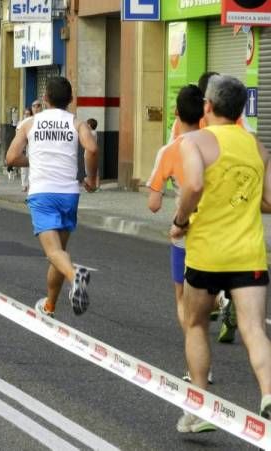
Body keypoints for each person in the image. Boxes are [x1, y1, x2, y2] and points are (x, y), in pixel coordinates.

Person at [170, 75, 271, 433]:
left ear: (208, 106)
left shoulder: (194, 141)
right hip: (249, 254)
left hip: (207, 253)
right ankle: (268, 396)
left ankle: (201, 407)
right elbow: (269, 201)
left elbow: (194, 184)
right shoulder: (256, 146)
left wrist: (180, 219)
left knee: (196, 324)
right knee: (253, 329)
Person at [6, 76, 98, 318]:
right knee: (59, 253)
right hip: (69, 194)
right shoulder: (77, 123)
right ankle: (50, 306)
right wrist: (92, 178)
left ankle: (74, 275)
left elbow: (11, 157)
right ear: (71, 100)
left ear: (45, 99)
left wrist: (33, 160)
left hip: (42, 193)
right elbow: (92, 148)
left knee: (54, 254)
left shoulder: (29, 123)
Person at [146, 85, 216, 391]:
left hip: (186, 231)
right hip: (221, 228)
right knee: (212, 288)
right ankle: (222, 298)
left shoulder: (170, 151)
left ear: (176, 113)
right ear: (205, 111)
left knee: (185, 302)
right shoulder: (216, 144)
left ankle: (198, 370)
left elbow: (153, 203)